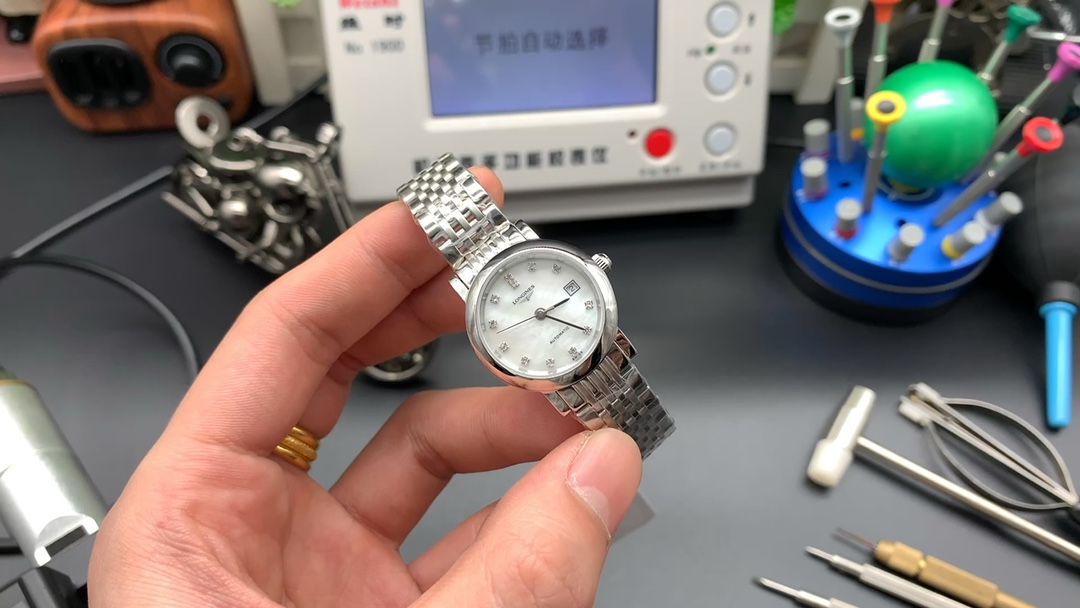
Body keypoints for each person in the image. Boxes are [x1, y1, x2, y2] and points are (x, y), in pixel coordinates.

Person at [87, 167, 645, 607]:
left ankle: (631, 431)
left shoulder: (535, 300)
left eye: (551, 303)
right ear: (487, 342)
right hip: (560, 360)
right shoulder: (498, 319)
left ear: (590, 273)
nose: (540, 312)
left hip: (576, 348)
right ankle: (629, 439)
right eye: (524, 315)